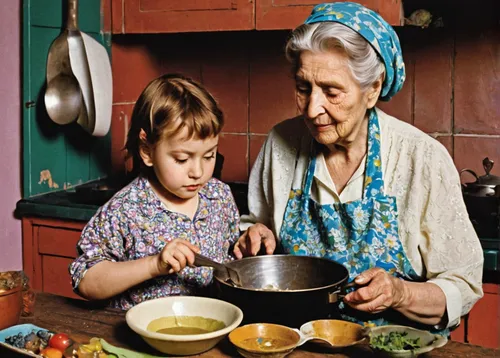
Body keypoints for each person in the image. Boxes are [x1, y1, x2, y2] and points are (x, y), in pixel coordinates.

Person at [233, 2, 484, 332]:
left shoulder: (421, 158)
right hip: (300, 342)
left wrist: (399, 294)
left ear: (373, 89)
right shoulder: (281, 143)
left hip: (388, 348)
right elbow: (259, 230)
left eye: (331, 91)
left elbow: (463, 287)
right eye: (303, 87)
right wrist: (255, 236)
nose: (312, 109)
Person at [69, 74, 240, 309]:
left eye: (209, 155)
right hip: (140, 340)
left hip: (210, 330)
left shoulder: (219, 197)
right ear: (147, 150)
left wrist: (248, 245)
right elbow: (86, 281)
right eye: (182, 159)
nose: (198, 172)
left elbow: (231, 257)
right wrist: (153, 265)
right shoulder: (125, 209)